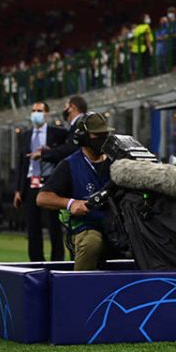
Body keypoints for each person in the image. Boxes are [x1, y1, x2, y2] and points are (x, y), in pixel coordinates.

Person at [36, 113, 113, 271]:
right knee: (91, 242)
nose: (103, 139)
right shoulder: (69, 165)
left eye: (105, 135)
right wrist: (70, 203)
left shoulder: (117, 162)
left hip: (115, 223)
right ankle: (79, 289)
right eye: (97, 135)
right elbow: (42, 198)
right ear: (83, 138)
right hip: (85, 226)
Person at [14, 101, 68, 262]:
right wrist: (18, 190)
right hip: (31, 183)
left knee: (54, 226)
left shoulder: (58, 133)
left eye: (39, 110)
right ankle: (36, 262)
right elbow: (21, 163)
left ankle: (57, 262)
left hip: (51, 183)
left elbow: (64, 153)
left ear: (47, 114)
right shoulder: (25, 135)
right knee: (33, 227)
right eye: (33, 110)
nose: (36, 113)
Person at [41, 95, 87, 165]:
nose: (64, 110)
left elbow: (70, 149)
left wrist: (46, 153)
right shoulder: (83, 121)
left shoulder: (79, 124)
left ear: (72, 107)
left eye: (65, 107)